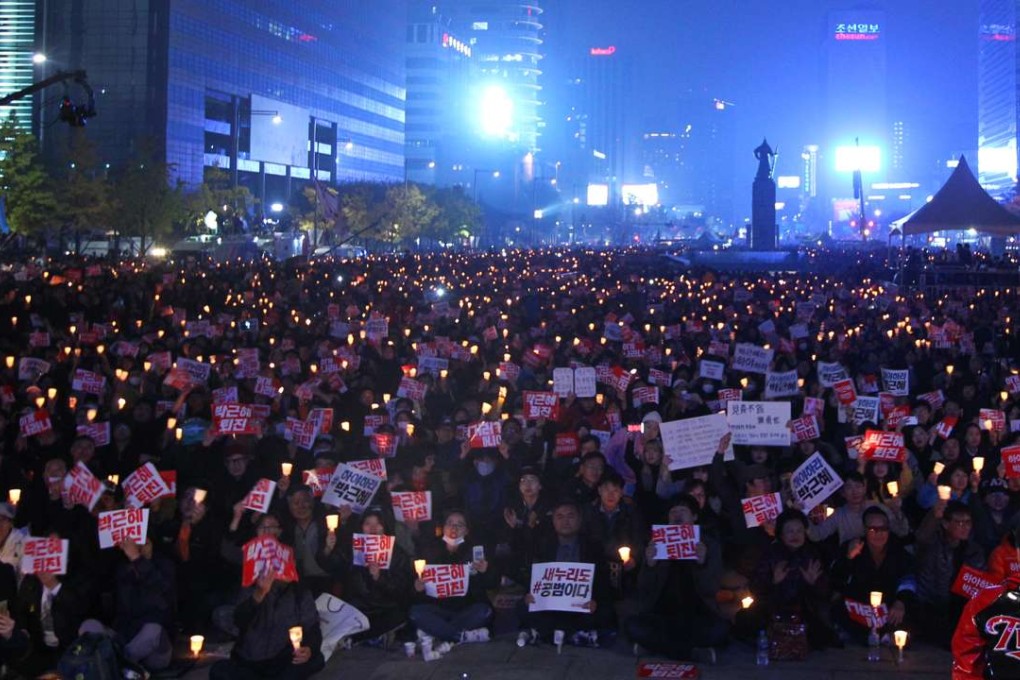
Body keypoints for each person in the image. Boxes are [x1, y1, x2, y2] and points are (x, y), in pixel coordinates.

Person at [626, 494, 728, 661]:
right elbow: (644, 589)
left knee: (720, 629)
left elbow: (711, 589)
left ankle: (657, 648)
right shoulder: (657, 542)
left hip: (697, 614)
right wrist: (650, 565)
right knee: (633, 625)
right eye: (673, 512)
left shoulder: (709, 544)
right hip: (661, 614)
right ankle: (692, 652)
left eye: (683, 511)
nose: (677, 516)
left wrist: (701, 564)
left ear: (694, 517)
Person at [517, 500, 615, 647]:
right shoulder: (543, 546)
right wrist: (529, 596)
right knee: (523, 607)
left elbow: (603, 583)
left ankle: (549, 634)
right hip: (550, 608)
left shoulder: (593, 547)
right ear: (553, 521)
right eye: (560, 517)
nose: (565, 521)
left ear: (579, 519)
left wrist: (595, 601)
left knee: (605, 612)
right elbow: (533, 579)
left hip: (580, 608)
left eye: (570, 516)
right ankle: (574, 635)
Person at [409, 510, 494, 644]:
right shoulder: (430, 551)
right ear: (443, 528)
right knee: (416, 613)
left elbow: (491, 584)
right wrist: (418, 587)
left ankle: (438, 632)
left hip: (465, 609)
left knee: (484, 611)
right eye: (450, 523)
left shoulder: (474, 552)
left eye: (459, 525)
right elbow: (417, 586)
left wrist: (485, 571)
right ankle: (461, 636)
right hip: (437, 609)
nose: (454, 528)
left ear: (466, 531)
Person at [830, 506, 915, 640]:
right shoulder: (853, 547)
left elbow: (908, 579)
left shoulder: (897, 550)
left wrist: (901, 601)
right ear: (864, 530)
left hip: (889, 605)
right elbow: (836, 582)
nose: (879, 533)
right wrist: (848, 559)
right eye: (873, 529)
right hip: (861, 605)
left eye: (883, 529)